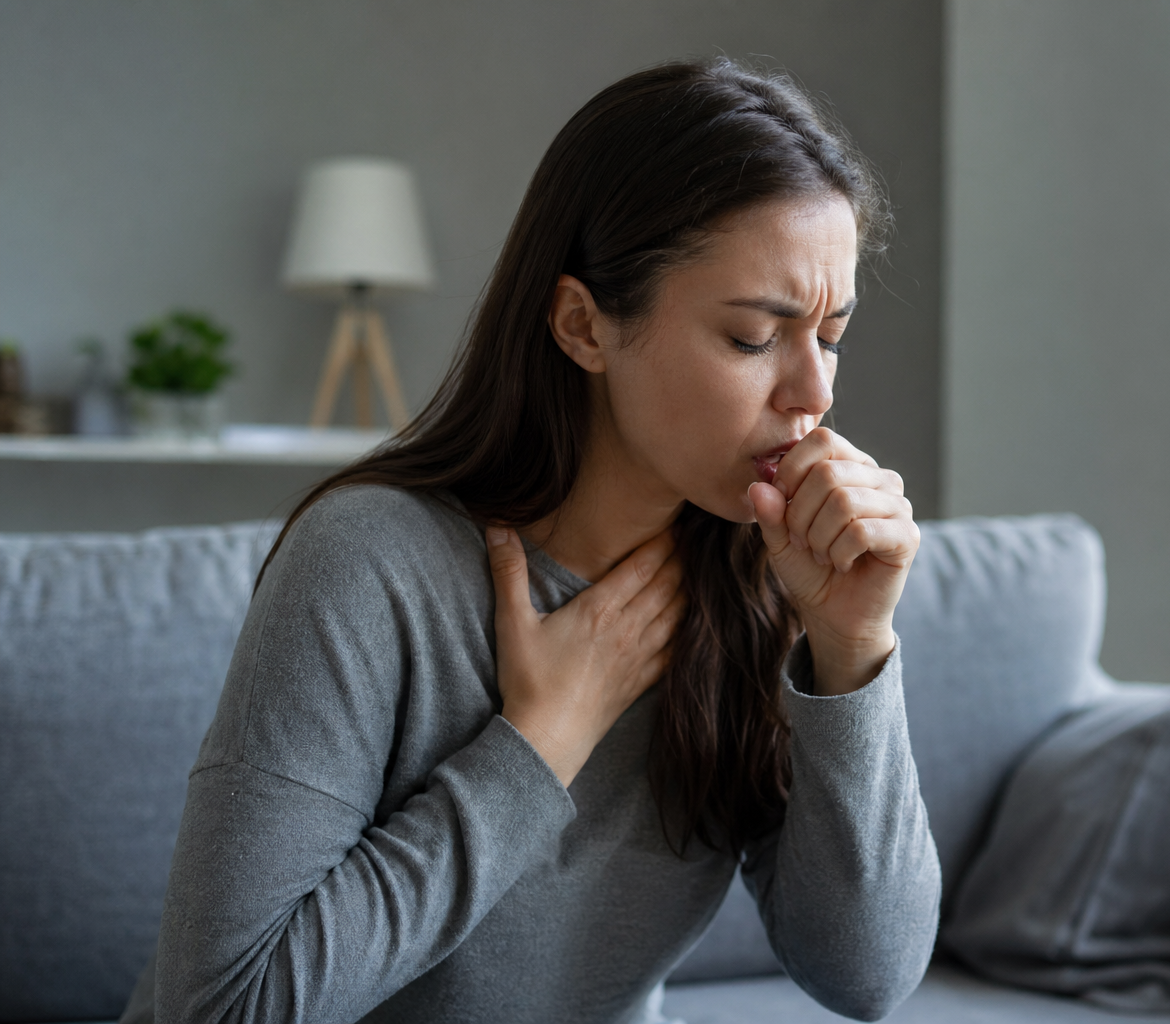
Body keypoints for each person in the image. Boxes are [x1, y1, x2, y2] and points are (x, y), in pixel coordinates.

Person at [123, 57, 941, 1024]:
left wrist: (852, 650)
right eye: (754, 338)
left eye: (831, 336)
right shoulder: (367, 564)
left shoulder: (764, 579)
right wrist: (540, 743)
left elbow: (868, 980)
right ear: (582, 326)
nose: (815, 394)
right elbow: (228, 1008)